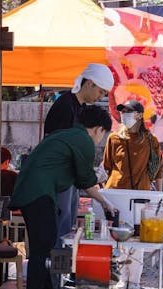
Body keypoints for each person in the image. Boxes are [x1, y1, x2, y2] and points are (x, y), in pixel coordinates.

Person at [10, 105, 116, 289]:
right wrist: (106, 203)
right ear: (98, 129)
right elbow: (86, 180)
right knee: (42, 251)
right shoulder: (83, 141)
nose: (100, 140)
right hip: (38, 194)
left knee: (44, 249)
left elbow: (77, 178)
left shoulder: (67, 134)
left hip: (33, 193)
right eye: (103, 135)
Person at [44, 63, 114, 249]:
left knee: (67, 226)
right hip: (58, 177)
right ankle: (55, 274)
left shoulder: (79, 107)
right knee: (60, 229)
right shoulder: (65, 106)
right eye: (100, 91)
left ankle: (61, 272)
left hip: (68, 177)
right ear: (89, 83)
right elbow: (59, 149)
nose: (101, 97)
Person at [103, 100, 163, 289]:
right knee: (120, 235)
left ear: (139, 115)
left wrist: (160, 197)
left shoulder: (150, 139)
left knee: (139, 236)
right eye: (123, 112)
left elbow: (158, 169)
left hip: (142, 192)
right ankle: (123, 276)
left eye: (129, 112)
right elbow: (107, 166)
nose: (124, 115)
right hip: (117, 191)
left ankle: (135, 279)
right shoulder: (113, 138)